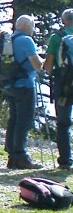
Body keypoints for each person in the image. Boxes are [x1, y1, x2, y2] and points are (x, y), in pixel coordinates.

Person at [4, 15, 44, 170]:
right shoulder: (26, 41)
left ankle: (12, 156)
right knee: (25, 120)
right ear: (27, 27)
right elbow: (36, 64)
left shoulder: (9, 40)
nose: (33, 30)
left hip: (10, 84)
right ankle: (21, 156)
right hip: (25, 84)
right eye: (33, 26)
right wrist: (43, 62)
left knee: (14, 119)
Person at [44, 9, 73, 169]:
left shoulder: (57, 38)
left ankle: (65, 161)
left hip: (64, 85)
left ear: (64, 21)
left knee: (63, 123)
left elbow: (48, 66)